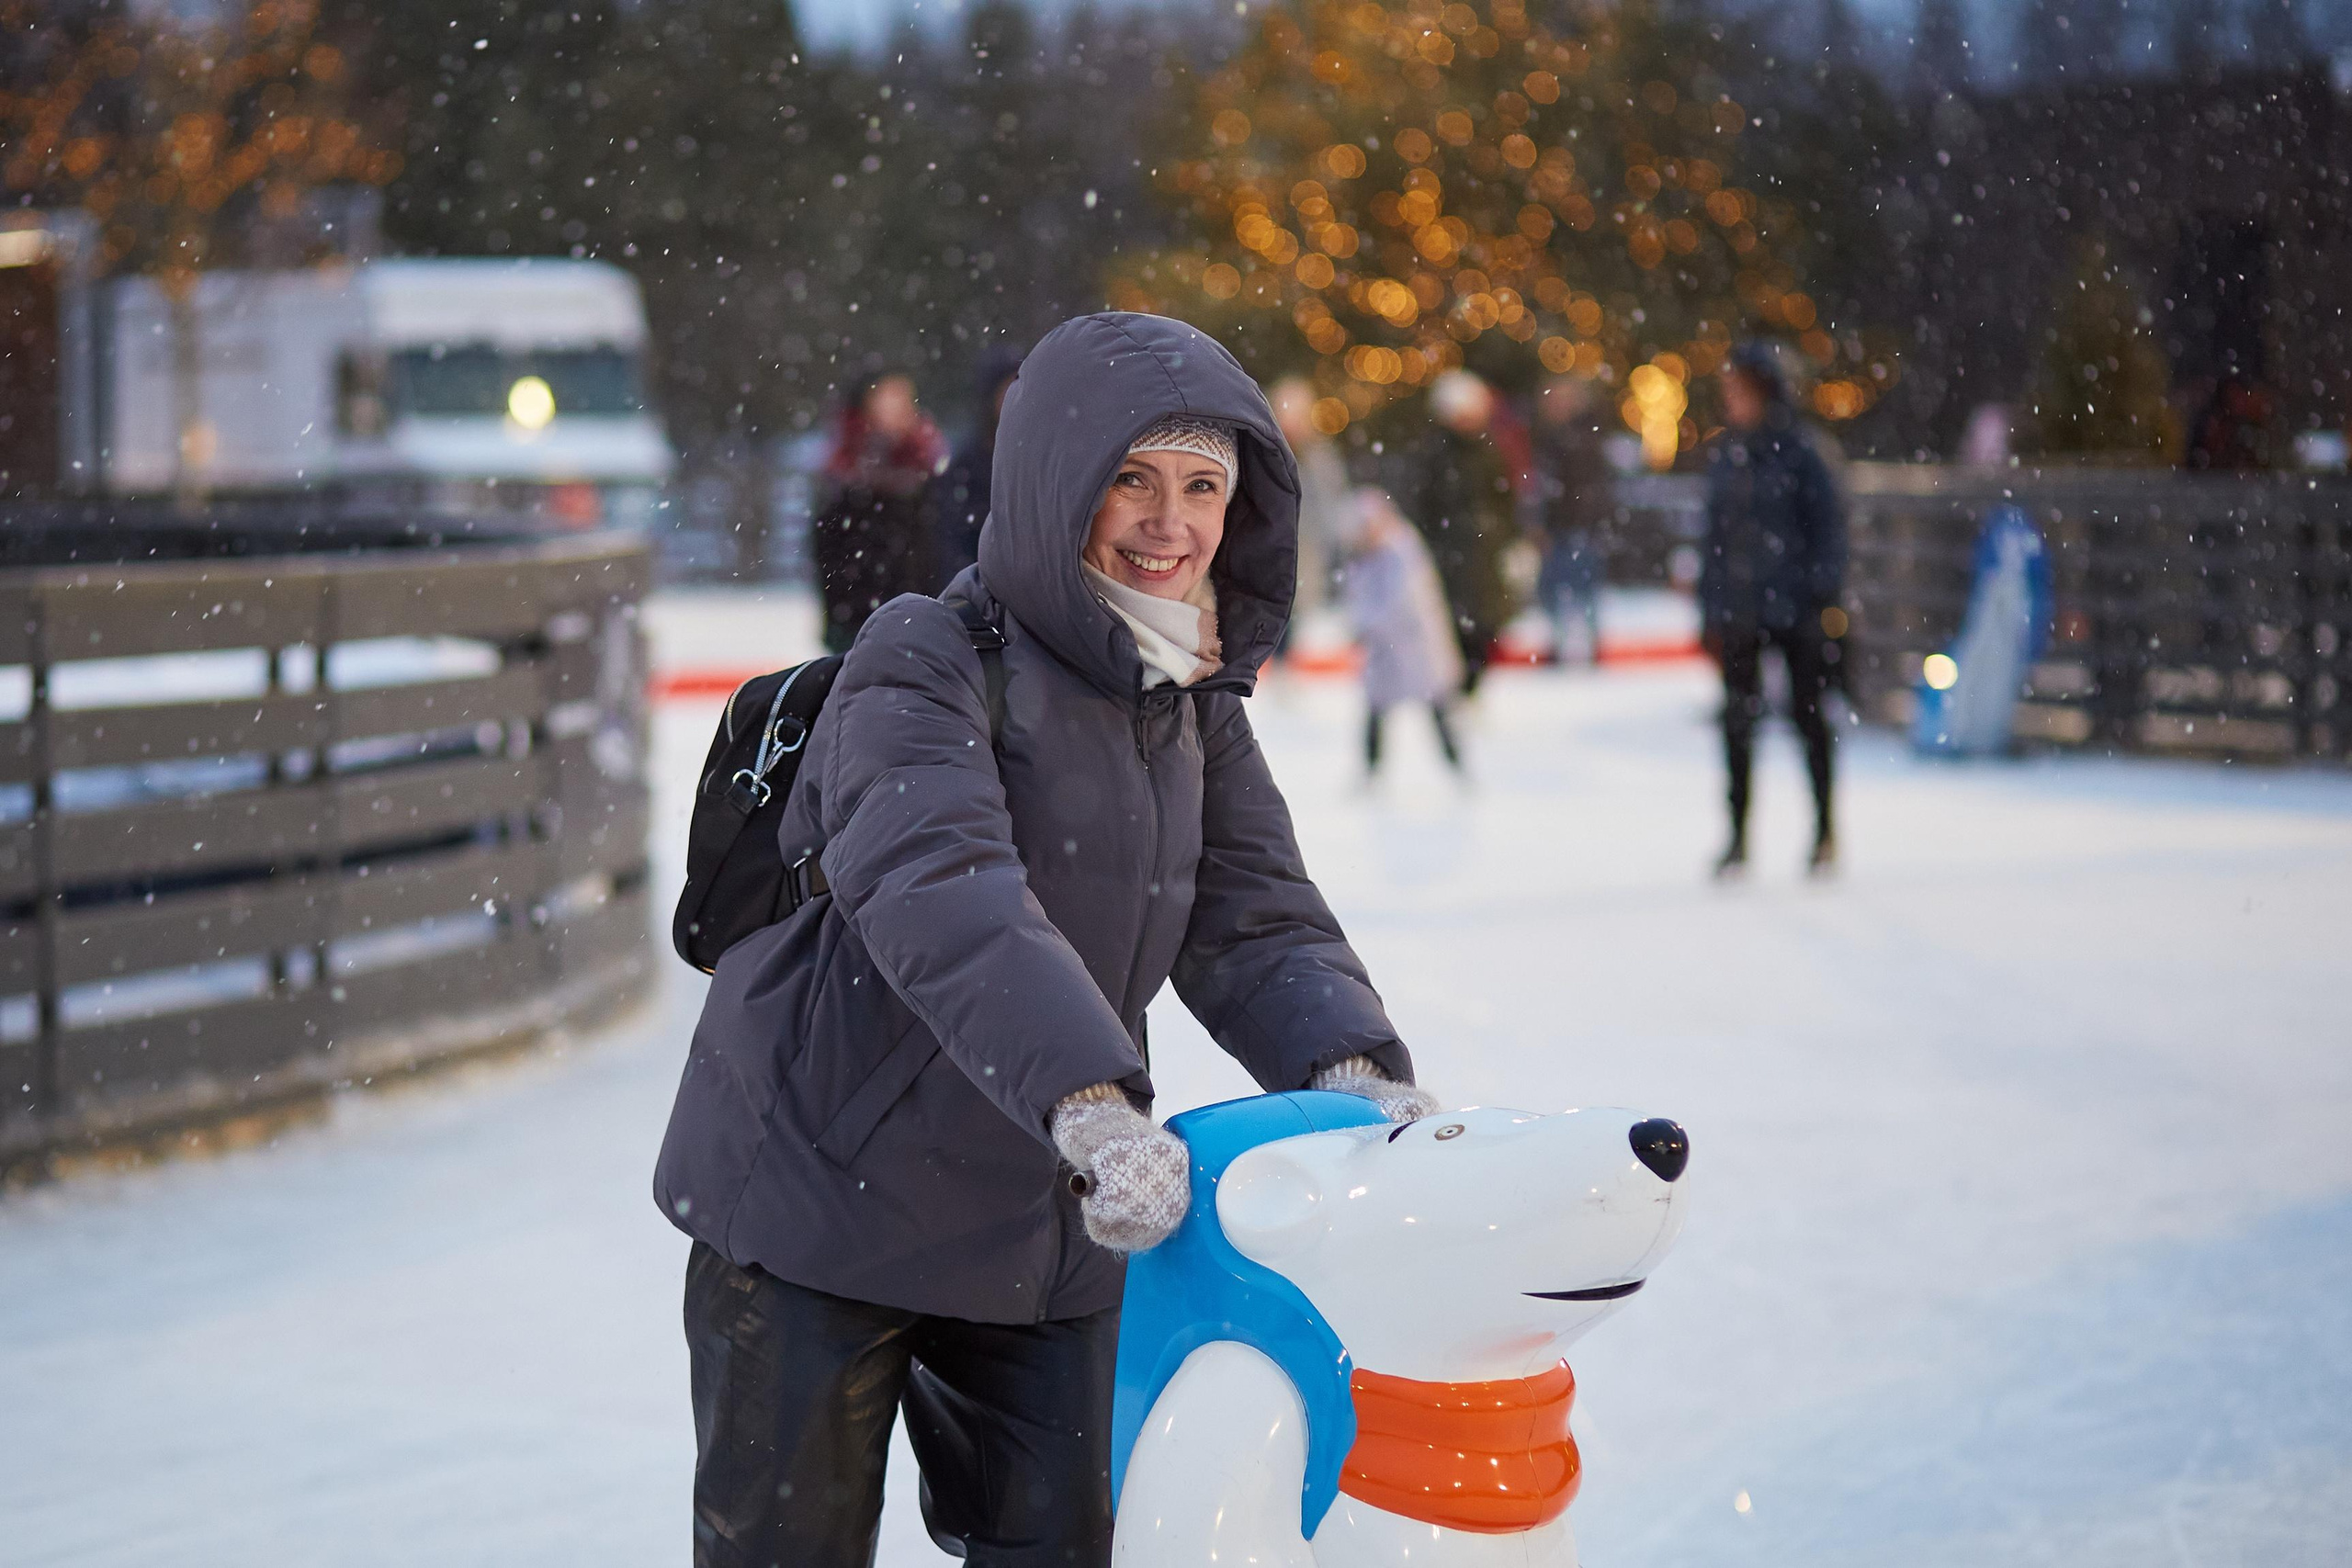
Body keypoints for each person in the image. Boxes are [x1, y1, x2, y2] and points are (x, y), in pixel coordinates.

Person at [654, 311, 1440, 1568]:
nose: (1167, 520)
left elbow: (1257, 914)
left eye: (1202, 485)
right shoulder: (921, 655)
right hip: (817, 1197)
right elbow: (941, 881)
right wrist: (1089, 1097)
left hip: (1040, 1221)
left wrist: (1352, 1073)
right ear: (1052, 479)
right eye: (1129, 477)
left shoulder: (1192, 703)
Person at [1698, 343, 1847, 877]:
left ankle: (1824, 830)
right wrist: (1710, 609)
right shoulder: (1727, 454)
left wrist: (1817, 595)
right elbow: (1714, 537)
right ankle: (1738, 836)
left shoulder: (1803, 453)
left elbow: (1828, 529)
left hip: (1796, 611)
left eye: (1739, 388)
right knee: (1737, 725)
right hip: (1741, 612)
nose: (1730, 399)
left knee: (1809, 721)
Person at [813, 372, 948, 652]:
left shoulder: (930, 469)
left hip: (929, 629)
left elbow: (944, 549)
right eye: (887, 399)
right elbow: (830, 561)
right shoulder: (844, 475)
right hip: (859, 631)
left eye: (904, 399)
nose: (898, 409)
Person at [1340, 487, 1465, 780]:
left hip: (1415, 646)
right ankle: (1371, 771)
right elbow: (1357, 596)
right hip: (1385, 650)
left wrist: (1367, 623)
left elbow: (1400, 601)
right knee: (1376, 710)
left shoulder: (1401, 550)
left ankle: (1456, 767)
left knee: (1436, 706)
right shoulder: (1365, 557)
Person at [1405, 368, 1516, 694]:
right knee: (1451, 630)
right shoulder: (1433, 454)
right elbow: (1421, 503)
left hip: (1482, 557)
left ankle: (1471, 688)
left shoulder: (1489, 452)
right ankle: (1457, 691)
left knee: (1485, 628)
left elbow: (1503, 500)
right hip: (1449, 556)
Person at [927, 342, 1025, 586]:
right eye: (1008, 388)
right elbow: (953, 551)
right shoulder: (966, 469)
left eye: (1022, 386)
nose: (1016, 397)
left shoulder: (1047, 456)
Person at [1529, 376, 1611, 664]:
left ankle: (1589, 645)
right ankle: (1562, 644)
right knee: (1556, 592)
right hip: (1563, 530)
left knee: (1583, 591)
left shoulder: (1582, 438)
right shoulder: (1551, 439)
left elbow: (1589, 489)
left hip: (1579, 529)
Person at [1270, 376, 1348, 633]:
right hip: (1269, 572)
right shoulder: (1263, 455)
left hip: (1308, 573)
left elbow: (1332, 513)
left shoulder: (1320, 460)